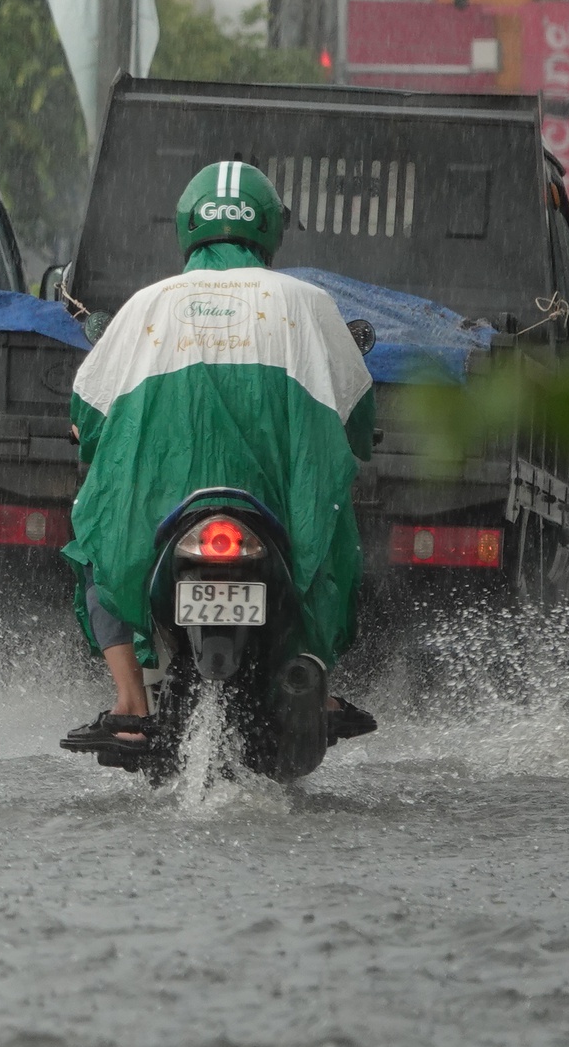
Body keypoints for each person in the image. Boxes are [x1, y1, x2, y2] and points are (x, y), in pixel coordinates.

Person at [58, 160, 377, 757]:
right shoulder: (307, 304)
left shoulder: (145, 306)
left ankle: (129, 700)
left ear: (187, 225)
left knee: (95, 538)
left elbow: (86, 417)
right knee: (333, 528)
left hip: (164, 516)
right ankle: (321, 687)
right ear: (268, 229)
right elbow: (359, 422)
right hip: (272, 515)